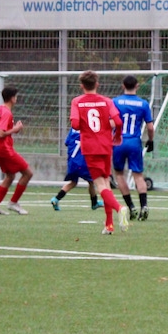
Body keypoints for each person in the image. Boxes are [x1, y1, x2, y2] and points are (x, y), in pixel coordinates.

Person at [70, 71, 130, 234]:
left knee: (100, 185)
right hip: (106, 145)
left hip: (90, 147)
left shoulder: (77, 101)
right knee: (106, 181)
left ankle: (119, 208)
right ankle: (109, 225)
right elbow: (118, 122)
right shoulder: (107, 101)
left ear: (82, 86)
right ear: (97, 84)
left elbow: (75, 124)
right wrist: (117, 136)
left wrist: (85, 125)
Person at [112, 75, 154, 220]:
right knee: (138, 175)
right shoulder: (143, 104)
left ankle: (131, 207)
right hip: (134, 142)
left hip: (118, 142)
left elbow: (111, 123)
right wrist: (151, 141)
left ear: (123, 86)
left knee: (119, 174)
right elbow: (150, 127)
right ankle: (144, 206)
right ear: (137, 86)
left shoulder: (115, 102)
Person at [0, 86, 33, 215]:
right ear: (12, 98)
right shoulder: (7, 113)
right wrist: (15, 129)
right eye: (16, 96)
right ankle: (13, 203)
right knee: (28, 173)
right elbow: (0, 133)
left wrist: (8, 130)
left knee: (10, 176)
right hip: (4, 148)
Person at [50, 127, 104, 211]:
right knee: (91, 181)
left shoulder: (73, 130)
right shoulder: (88, 130)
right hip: (82, 162)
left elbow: (66, 143)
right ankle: (94, 203)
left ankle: (56, 199)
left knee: (73, 182)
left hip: (72, 162)